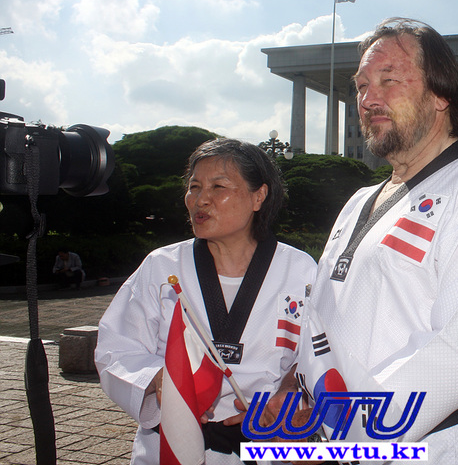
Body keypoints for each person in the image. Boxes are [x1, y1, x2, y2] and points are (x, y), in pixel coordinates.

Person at [259, 18, 458, 464]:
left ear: (441, 94)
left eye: (389, 80)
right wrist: (297, 384)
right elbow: (324, 316)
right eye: (361, 85)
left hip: (423, 446)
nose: (368, 99)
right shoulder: (360, 201)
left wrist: (358, 436)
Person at [95, 138, 317, 465]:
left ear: (259, 196)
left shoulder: (299, 270)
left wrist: (289, 392)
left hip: (263, 446)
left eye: (218, 186)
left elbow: (318, 355)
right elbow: (116, 349)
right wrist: (161, 379)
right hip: (168, 447)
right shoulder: (163, 267)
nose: (201, 200)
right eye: (194, 187)